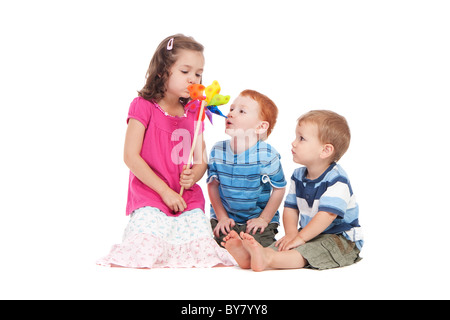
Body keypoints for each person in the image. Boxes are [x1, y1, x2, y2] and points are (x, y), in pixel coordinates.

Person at [97, 34, 235, 268]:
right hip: (151, 194)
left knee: (202, 247)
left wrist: (195, 175)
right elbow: (130, 157)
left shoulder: (196, 111)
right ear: (162, 71)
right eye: (185, 71)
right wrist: (164, 192)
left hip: (185, 198)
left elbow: (200, 159)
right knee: (147, 245)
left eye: (198, 73)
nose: (193, 79)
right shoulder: (143, 106)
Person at [222, 110, 363, 271]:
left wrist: (301, 237)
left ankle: (268, 259)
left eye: (301, 139)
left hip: (340, 239)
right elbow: (291, 208)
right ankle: (252, 257)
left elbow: (326, 216)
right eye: (296, 137)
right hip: (310, 233)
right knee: (284, 244)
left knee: (309, 251)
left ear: (325, 150)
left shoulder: (337, 180)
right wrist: (291, 233)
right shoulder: (298, 176)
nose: (293, 143)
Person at [207, 90, 287, 248]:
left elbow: (279, 189)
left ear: (260, 127)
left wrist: (264, 219)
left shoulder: (267, 155)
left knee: (259, 247)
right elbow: (212, 186)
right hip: (226, 218)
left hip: (256, 219)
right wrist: (222, 217)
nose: (231, 114)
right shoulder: (217, 150)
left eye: (241, 111)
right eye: (231, 109)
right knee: (214, 245)